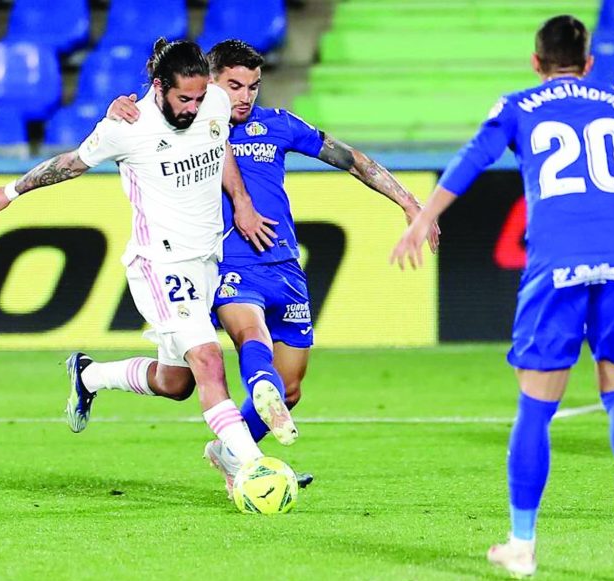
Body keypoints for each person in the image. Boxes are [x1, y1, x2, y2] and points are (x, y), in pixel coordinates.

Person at [392, 15, 614, 578]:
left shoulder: (519, 106)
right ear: (589, 62)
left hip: (558, 265)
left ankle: (522, 544)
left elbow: (473, 160)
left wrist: (422, 217)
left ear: (536, 62)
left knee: (536, 407)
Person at [105, 39, 439, 487]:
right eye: (234, 86)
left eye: (253, 87)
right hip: (226, 262)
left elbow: (350, 159)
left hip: (284, 264)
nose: (244, 97)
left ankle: (228, 450)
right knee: (250, 339)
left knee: (281, 387)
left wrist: (410, 202)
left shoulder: (279, 125)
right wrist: (120, 106)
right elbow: (147, 112)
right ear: (210, 83)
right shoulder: (190, 124)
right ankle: (251, 463)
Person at [0, 39, 282, 494]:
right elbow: (69, 163)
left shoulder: (214, 103)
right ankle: (256, 468)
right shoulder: (127, 126)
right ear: (159, 87)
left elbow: (221, 149)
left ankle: (88, 375)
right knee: (208, 359)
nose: (193, 107)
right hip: (160, 264)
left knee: (176, 382)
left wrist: (240, 199)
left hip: (206, 262)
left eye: (200, 98)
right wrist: (12, 191)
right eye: (184, 99)